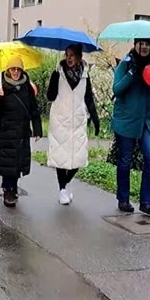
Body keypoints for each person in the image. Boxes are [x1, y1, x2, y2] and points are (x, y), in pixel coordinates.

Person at [108, 38, 150, 216]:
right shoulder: (125, 64)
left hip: (149, 121)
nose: (144, 47)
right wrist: (132, 73)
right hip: (127, 120)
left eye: (147, 44)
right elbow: (117, 90)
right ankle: (123, 199)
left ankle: (147, 202)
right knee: (125, 160)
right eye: (141, 43)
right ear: (135, 45)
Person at [46, 44, 101, 206]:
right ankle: (62, 189)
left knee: (79, 157)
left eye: (73, 55)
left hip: (78, 120)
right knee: (61, 156)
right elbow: (50, 96)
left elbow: (88, 98)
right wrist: (54, 79)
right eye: (67, 55)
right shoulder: (58, 73)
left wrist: (96, 119)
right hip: (60, 119)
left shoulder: (85, 75)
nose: (69, 58)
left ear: (79, 57)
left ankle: (66, 184)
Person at [0, 58, 43, 208]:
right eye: (13, 69)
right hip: (5, 132)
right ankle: (8, 190)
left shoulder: (27, 88)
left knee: (17, 163)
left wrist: (38, 129)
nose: (15, 72)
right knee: (8, 164)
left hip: (22, 132)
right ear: (7, 70)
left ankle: (13, 187)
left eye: (18, 69)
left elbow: (34, 110)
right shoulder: (0, 87)